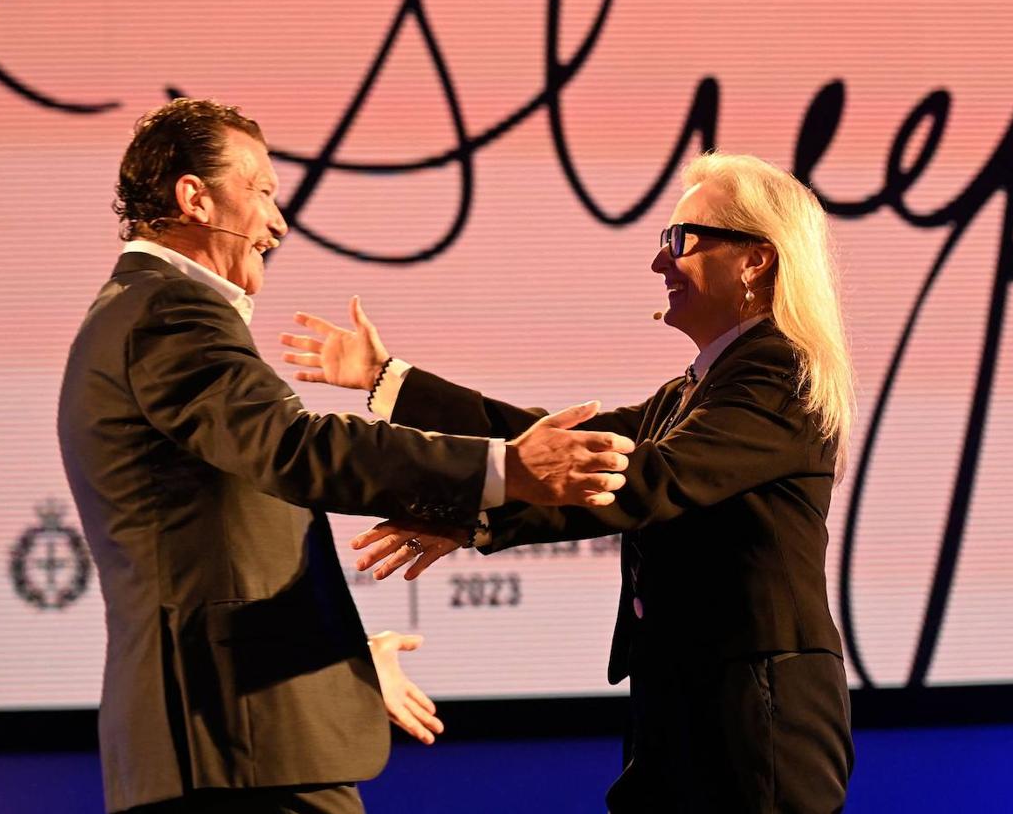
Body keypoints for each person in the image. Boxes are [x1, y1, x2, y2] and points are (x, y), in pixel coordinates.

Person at [57, 98, 635, 814]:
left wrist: (346, 660)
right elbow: (298, 448)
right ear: (194, 197)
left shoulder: (137, 309)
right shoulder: (169, 311)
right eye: (263, 191)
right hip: (236, 749)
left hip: (235, 738)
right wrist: (505, 467)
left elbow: (211, 547)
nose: (278, 221)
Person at [282, 152, 857, 812]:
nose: (659, 263)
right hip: (690, 701)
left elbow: (645, 482)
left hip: (757, 711)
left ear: (755, 257)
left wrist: (477, 510)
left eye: (680, 240)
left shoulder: (779, 373)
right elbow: (549, 443)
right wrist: (392, 382)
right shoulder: (691, 390)